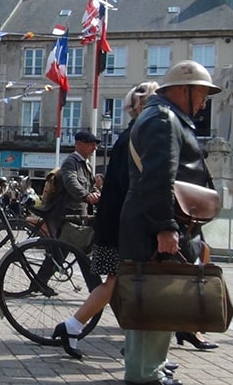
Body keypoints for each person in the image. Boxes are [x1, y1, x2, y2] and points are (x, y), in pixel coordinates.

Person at [119, 60, 222, 385]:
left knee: (148, 298)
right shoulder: (165, 119)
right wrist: (166, 227)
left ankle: (145, 370)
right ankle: (147, 374)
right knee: (158, 300)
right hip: (156, 226)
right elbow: (160, 178)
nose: (204, 102)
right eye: (202, 94)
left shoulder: (162, 116)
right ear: (183, 89)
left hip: (146, 222)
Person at [52, 82, 159, 359]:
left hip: (115, 220)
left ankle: (76, 326)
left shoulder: (130, 136)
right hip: (117, 223)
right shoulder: (136, 137)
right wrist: (89, 196)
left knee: (118, 281)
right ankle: (138, 344)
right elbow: (126, 185)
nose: (93, 147)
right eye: (90, 143)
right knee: (124, 280)